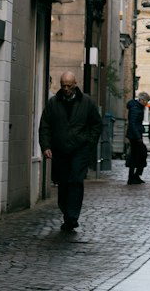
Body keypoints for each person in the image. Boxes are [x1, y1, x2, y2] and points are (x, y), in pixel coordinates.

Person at [39, 71, 103, 232]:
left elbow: (96, 124)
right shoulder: (54, 103)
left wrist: (89, 144)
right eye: (63, 86)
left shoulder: (86, 103)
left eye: (69, 85)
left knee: (75, 180)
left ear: (75, 84)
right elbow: (45, 125)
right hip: (60, 150)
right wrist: (46, 146)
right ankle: (67, 211)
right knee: (63, 182)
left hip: (80, 150)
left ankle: (72, 217)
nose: (66, 89)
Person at [126, 89, 150, 184]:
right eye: (146, 101)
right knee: (137, 155)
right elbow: (133, 123)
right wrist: (138, 136)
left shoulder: (138, 107)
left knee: (138, 155)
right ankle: (133, 177)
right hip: (134, 136)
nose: (146, 103)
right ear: (142, 100)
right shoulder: (136, 108)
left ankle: (135, 176)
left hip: (135, 135)